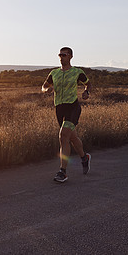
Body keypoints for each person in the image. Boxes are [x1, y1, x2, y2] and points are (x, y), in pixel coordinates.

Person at [42, 47, 92, 183]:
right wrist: (47, 89)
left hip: (72, 107)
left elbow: (87, 83)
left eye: (64, 55)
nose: (61, 57)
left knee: (63, 136)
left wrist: (86, 92)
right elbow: (43, 86)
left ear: (70, 56)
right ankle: (84, 157)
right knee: (71, 138)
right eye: (59, 54)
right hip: (59, 108)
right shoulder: (54, 73)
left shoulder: (77, 72)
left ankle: (62, 172)